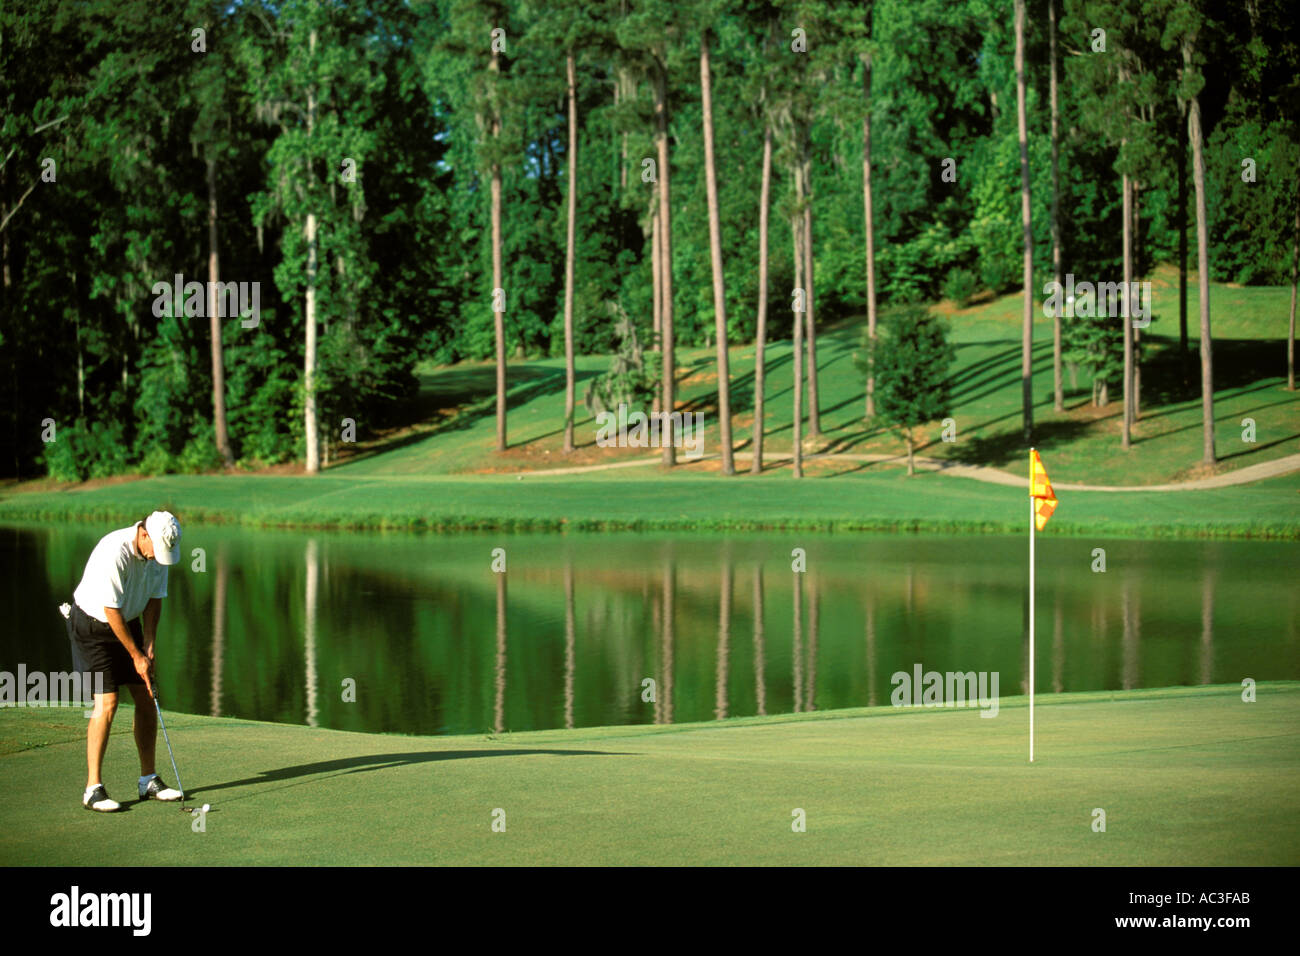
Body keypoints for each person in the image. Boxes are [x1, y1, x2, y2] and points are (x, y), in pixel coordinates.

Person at [68, 511, 184, 812]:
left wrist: (149, 644)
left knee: (146, 695)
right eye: (156, 550)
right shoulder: (114, 551)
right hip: (92, 625)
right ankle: (93, 789)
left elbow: (155, 598)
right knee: (107, 702)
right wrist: (135, 655)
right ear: (143, 533)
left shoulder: (158, 552)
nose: (159, 557)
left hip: (127, 620)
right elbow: (111, 611)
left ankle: (149, 780)